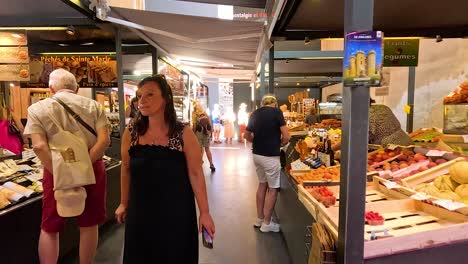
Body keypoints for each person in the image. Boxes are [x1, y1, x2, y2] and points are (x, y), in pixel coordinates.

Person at [115, 75, 215, 263]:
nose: (142, 101)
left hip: (176, 213)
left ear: (166, 98)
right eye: (140, 96)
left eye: (150, 95)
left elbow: (196, 173)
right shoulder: (132, 132)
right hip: (141, 212)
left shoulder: (183, 133)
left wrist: (205, 212)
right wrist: (123, 203)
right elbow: (126, 169)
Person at [23, 69, 110, 264]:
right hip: (92, 169)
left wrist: (64, 171)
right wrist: (82, 168)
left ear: (51, 88)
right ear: (77, 89)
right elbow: (104, 141)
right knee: (89, 224)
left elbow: (38, 146)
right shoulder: (95, 106)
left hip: (55, 172)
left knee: (50, 226)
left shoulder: (37, 109)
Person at [245, 94, 290, 233]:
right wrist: (280, 143)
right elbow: (287, 136)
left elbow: (246, 135)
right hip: (271, 156)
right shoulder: (277, 112)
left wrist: (258, 142)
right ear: (275, 104)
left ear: (263, 103)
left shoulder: (255, 114)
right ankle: (267, 223)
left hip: (257, 155)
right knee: (273, 189)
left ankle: (259, 219)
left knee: (262, 184)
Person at [194, 106, 216, 172]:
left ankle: (199, 164)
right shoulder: (206, 115)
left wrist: (193, 133)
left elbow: (195, 126)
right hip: (206, 133)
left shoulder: (195, 115)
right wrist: (210, 134)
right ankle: (211, 164)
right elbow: (210, 125)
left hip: (199, 132)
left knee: (200, 149)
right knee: (207, 149)